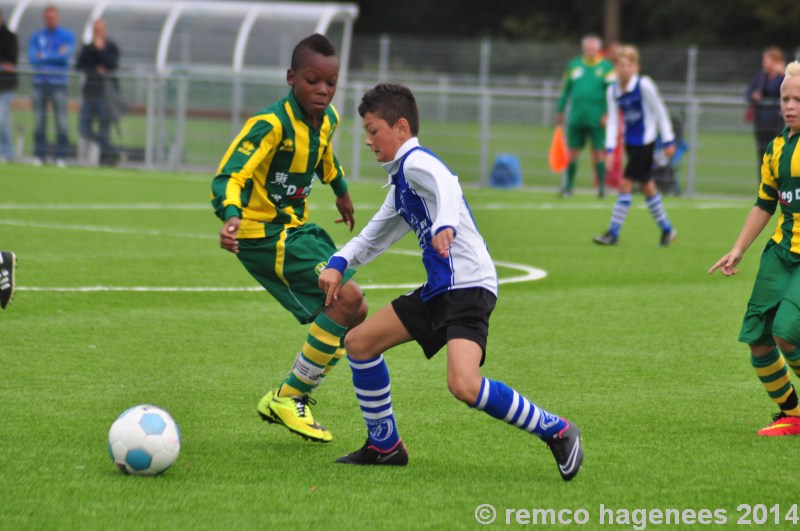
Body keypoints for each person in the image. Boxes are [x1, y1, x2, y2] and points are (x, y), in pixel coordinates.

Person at [318, 83, 583, 480]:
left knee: (463, 384)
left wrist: (444, 223)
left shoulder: (416, 163)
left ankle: (558, 430)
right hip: (441, 288)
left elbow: (448, 185)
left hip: (468, 287)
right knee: (359, 343)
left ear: (402, 128)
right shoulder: (401, 183)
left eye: (373, 130)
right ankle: (385, 445)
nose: (368, 141)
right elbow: (374, 235)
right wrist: (339, 262)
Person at [211, 34, 367, 444]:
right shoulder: (270, 124)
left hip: (297, 229)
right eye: (313, 81)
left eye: (331, 82)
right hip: (264, 236)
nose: (322, 90)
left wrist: (341, 191)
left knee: (357, 313)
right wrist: (230, 216)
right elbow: (230, 175)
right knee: (347, 298)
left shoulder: (328, 118)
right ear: (291, 78)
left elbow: (323, 157)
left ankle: (286, 397)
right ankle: (289, 396)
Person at [709, 61, 800, 437]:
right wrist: (738, 248)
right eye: (785, 98)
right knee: (758, 340)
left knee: (787, 333)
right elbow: (765, 204)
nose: (790, 105)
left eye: (798, 99)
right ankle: (792, 415)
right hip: (780, 253)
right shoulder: (776, 148)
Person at [593, 45, 677, 247]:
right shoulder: (613, 89)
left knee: (625, 184)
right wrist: (610, 148)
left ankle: (613, 233)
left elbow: (660, 111)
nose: (624, 69)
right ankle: (667, 230)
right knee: (647, 186)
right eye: (620, 65)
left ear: (636, 67)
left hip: (646, 143)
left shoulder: (644, 85)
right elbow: (613, 120)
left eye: (628, 65)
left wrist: (668, 140)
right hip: (631, 143)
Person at [555, 34, 615, 198]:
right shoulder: (574, 65)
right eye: (588, 48)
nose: (590, 51)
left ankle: (602, 188)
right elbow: (565, 90)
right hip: (576, 117)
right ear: (583, 49)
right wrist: (559, 110)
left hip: (597, 119)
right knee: (572, 152)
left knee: (598, 153)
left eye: (593, 48)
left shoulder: (606, 67)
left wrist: (608, 114)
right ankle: (568, 187)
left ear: (598, 49)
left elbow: (613, 94)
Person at [28, 5, 74, 167]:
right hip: (39, 83)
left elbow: (64, 57)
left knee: (61, 121)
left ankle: (61, 156)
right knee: (39, 120)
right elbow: (32, 57)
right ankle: (40, 155)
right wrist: (54, 55)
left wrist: (45, 55)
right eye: (48, 17)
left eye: (53, 17)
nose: (50, 19)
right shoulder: (37, 36)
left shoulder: (67, 36)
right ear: (44, 18)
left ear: (57, 17)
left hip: (59, 84)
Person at [76, 19, 119, 166]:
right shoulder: (88, 48)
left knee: (104, 129)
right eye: (96, 29)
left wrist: (100, 51)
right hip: (89, 93)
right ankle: (111, 151)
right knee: (83, 128)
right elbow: (80, 65)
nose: (99, 32)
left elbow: (112, 64)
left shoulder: (111, 47)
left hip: (105, 95)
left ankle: (106, 159)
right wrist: (95, 68)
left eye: (101, 29)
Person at [745, 46, 785, 182]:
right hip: (761, 122)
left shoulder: (783, 77)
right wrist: (753, 96)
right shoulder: (761, 77)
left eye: (767, 60)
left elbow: (787, 91)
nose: (764, 63)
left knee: (777, 154)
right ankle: (763, 184)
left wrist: (784, 74)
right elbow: (748, 93)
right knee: (762, 154)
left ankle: (777, 183)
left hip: (776, 122)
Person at [0, 10, 18, 163]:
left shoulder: (9, 36)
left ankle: (7, 153)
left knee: (2, 119)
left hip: (4, 85)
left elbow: (11, 60)